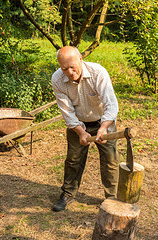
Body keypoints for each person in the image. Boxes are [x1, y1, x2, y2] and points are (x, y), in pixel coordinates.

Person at [51, 46, 119, 212]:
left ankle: (112, 198)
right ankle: (67, 194)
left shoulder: (98, 73)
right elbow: (67, 112)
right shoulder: (57, 79)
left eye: (73, 66)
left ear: (81, 59)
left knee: (110, 159)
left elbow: (111, 104)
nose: (70, 72)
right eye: (64, 68)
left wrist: (103, 128)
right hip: (78, 123)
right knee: (73, 159)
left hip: (102, 121)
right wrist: (81, 132)